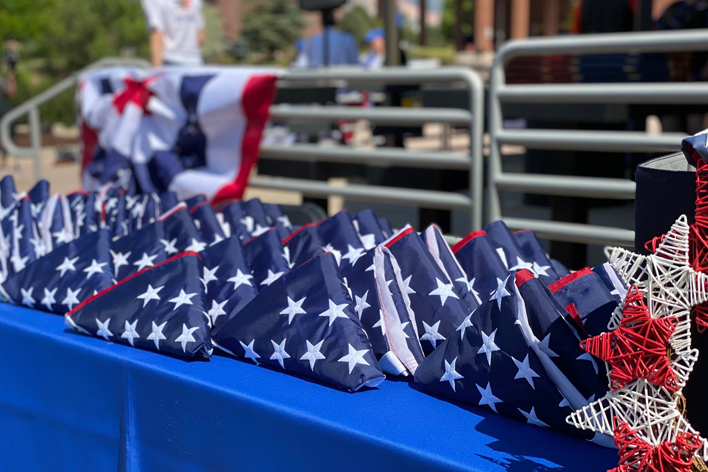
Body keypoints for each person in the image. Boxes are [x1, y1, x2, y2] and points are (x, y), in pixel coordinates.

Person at [140, 0, 206, 67]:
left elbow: (157, 35)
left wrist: (156, 71)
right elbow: (200, 37)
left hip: (170, 60)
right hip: (195, 60)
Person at [0, 38, 18, 167]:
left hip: (2, 107)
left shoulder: (2, 79)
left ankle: (4, 158)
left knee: (5, 132)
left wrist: (11, 80)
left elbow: (11, 93)